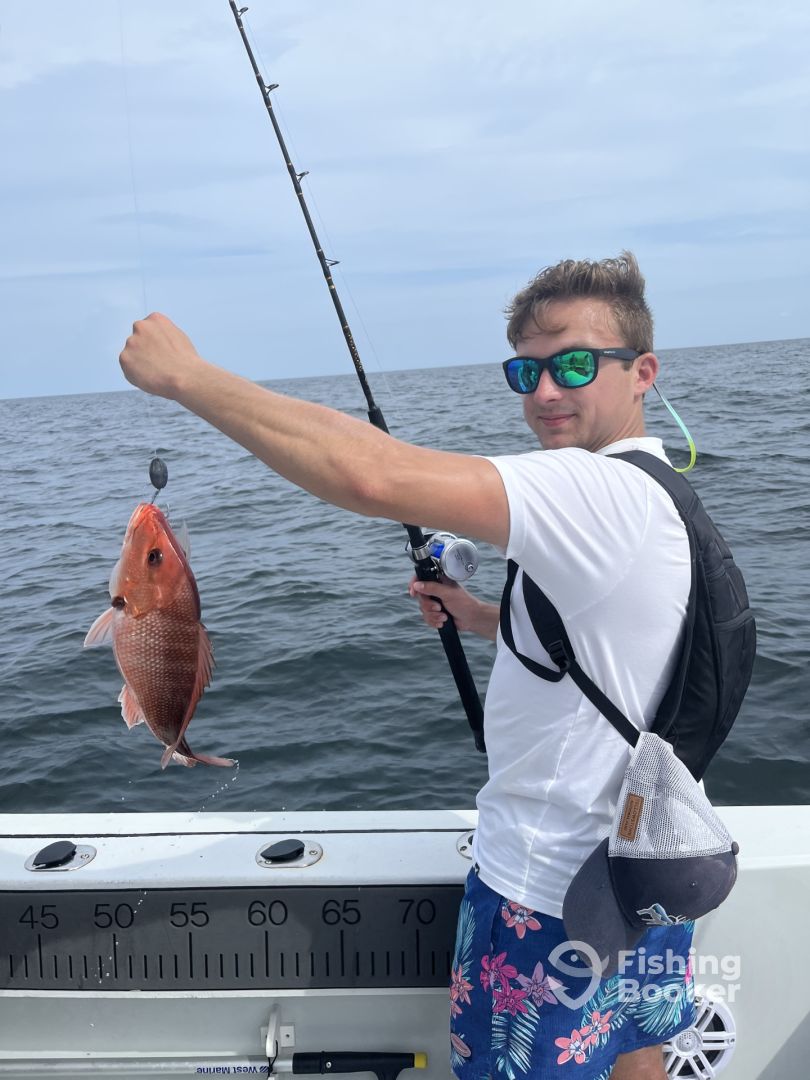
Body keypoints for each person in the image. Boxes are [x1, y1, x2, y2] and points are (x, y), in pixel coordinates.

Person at [120, 252, 694, 1079]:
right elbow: (616, 651)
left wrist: (188, 378)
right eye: (525, 370)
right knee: (636, 1050)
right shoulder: (657, 489)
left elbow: (372, 473)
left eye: (574, 365)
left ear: (642, 372)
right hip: (644, 868)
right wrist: (482, 616)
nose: (544, 391)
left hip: (550, 893)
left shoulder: (592, 489)